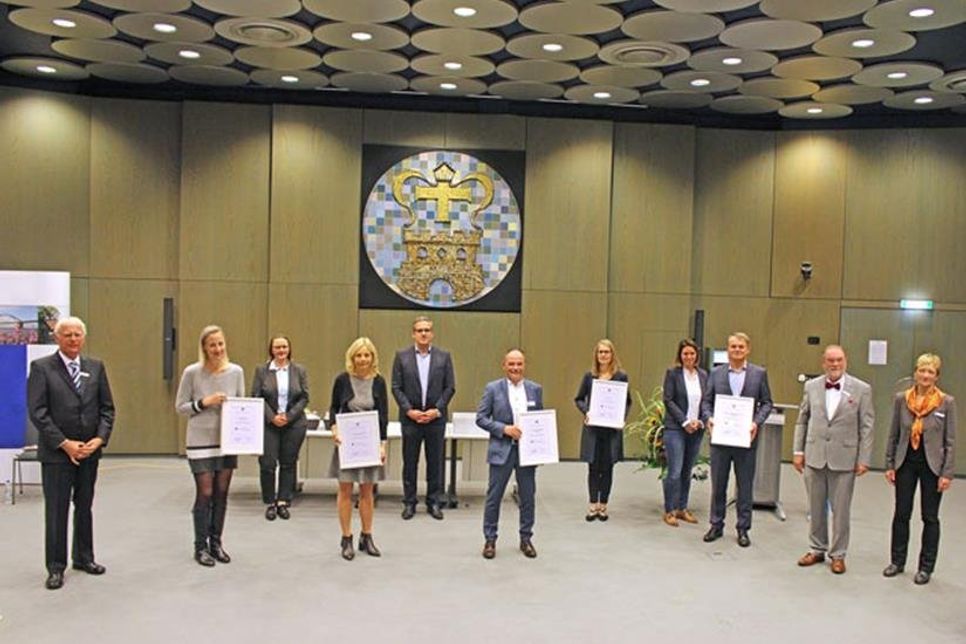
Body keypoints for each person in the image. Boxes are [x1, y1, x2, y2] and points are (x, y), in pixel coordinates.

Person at [27, 317, 115, 590]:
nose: (73, 339)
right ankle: (56, 567)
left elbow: (107, 409)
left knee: (84, 506)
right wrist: (64, 443)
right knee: (57, 510)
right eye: (68, 335)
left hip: (89, 453)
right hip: (57, 455)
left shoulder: (96, 367)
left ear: (83, 338)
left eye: (78, 335)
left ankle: (84, 557)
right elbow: (38, 412)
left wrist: (99, 439)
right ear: (57, 338)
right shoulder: (42, 368)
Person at [793, 345, 874, 574]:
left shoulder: (862, 389)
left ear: (845, 361)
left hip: (845, 458)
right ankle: (817, 548)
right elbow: (802, 419)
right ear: (823, 363)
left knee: (841, 511)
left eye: (838, 360)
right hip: (815, 455)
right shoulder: (811, 386)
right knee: (815, 506)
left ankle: (838, 554)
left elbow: (867, 426)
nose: (834, 364)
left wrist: (864, 458)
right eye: (830, 360)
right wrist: (798, 451)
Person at [883, 353, 957, 585]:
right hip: (905, 462)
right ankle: (897, 561)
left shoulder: (946, 402)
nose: (925, 375)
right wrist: (889, 464)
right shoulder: (901, 399)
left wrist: (946, 473)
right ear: (915, 373)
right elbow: (894, 434)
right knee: (901, 513)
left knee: (930, 517)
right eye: (922, 370)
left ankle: (926, 567)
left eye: (930, 372)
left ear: (936, 376)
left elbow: (950, 441)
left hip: (932, 466)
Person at [175, 325, 245, 567]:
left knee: (221, 493)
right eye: (212, 345)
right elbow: (180, 407)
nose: (217, 349)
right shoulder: (192, 372)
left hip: (227, 441)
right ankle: (200, 546)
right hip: (200, 441)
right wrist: (204, 402)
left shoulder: (236, 372)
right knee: (205, 493)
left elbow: (242, 405)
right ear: (204, 348)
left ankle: (216, 543)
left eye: (220, 343)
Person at [700, 332, 773, 547]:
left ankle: (743, 528)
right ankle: (716, 524)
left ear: (747, 349)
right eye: (733, 346)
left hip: (746, 440)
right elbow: (706, 402)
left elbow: (767, 403)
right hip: (720, 440)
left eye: (741, 347)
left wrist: (756, 423)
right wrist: (709, 418)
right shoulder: (716, 373)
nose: (737, 350)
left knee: (745, 486)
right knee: (718, 484)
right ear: (728, 349)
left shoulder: (759, 374)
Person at [476, 349, 543, 559]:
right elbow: (481, 418)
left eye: (519, 364)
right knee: (494, 497)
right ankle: (490, 540)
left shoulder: (535, 389)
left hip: (526, 453)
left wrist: (541, 448)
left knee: (528, 497)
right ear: (504, 365)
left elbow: (539, 420)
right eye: (511, 364)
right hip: (501, 450)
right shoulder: (493, 388)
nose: (515, 368)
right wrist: (504, 429)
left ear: (524, 365)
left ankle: (526, 538)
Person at [329, 337, 389, 560]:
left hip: (370, 443)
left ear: (372, 357)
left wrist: (382, 445)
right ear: (352, 357)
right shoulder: (342, 380)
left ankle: (367, 536)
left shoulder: (379, 382)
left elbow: (383, 416)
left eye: (367, 355)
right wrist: (334, 429)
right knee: (345, 490)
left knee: (367, 492)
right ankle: (346, 538)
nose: (363, 359)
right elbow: (333, 409)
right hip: (347, 443)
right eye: (359, 355)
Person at [391, 315, 456, 520]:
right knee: (410, 463)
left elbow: (450, 387)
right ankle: (409, 502)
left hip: (435, 419)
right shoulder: (402, 357)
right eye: (420, 330)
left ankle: (433, 502)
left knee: (435, 463)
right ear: (413, 334)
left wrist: (437, 410)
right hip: (411, 419)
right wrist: (409, 410)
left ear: (432, 333)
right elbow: (396, 387)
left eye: (427, 330)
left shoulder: (444, 357)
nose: (424, 333)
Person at [251, 335, 310, 521]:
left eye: (284, 347)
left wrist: (288, 416)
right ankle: (269, 502)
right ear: (271, 350)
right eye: (277, 347)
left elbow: (304, 397)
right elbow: (256, 396)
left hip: (294, 424)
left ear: (289, 349)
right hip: (268, 424)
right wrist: (272, 417)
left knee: (288, 463)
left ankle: (283, 501)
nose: (281, 350)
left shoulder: (299, 370)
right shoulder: (262, 371)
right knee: (267, 463)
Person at [575, 339, 628, 521]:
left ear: (612, 355)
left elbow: (627, 401)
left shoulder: (621, 376)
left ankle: (603, 505)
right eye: (600, 352)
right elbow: (579, 399)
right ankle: (592, 505)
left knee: (607, 467)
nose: (603, 355)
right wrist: (587, 411)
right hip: (593, 430)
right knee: (593, 467)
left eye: (607, 352)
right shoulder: (589, 376)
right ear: (596, 355)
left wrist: (622, 417)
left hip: (611, 430)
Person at [661, 339, 708, 527]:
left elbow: (707, 401)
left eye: (692, 353)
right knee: (675, 471)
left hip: (696, 430)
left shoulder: (703, 375)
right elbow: (668, 400)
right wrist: (685, 421)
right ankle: (669, 510)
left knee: (687, 471)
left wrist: (701, 421)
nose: (689, 357)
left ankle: (682, 507)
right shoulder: (673, 374)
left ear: (697, 355)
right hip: (676, 429)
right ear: (680, 356)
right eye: (685, 353)